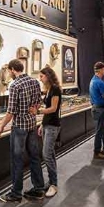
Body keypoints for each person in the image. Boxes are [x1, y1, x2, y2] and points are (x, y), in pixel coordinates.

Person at [0, 59, 45, 202]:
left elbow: (11, 112)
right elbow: (38, 102)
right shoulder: (35, 82)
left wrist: (1, 126)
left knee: (17, 160)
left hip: (19, 128)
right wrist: (34, 109)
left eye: (9, 71)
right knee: (35, 157)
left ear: (12, 70)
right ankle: (38, 189)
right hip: (32, 126)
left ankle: (16, 193)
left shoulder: (14, 85)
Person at [36, 66, 62, 197]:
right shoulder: (49, 89)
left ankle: (54, 184)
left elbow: (53, 108)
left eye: (41, 76)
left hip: (52, 126)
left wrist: (38, 111)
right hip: (47, 125)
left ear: (48, 76)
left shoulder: (55, 89)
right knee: (50, 154)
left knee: (46, 154)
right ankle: (52, 181)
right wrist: (41, 124)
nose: (40, 79)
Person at [90, 61, 104, 159]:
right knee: (100, 131)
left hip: (97, 108)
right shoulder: (99, 82)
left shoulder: (94, 80)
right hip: (100, 109)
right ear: (99, 70)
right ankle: (97, 151)